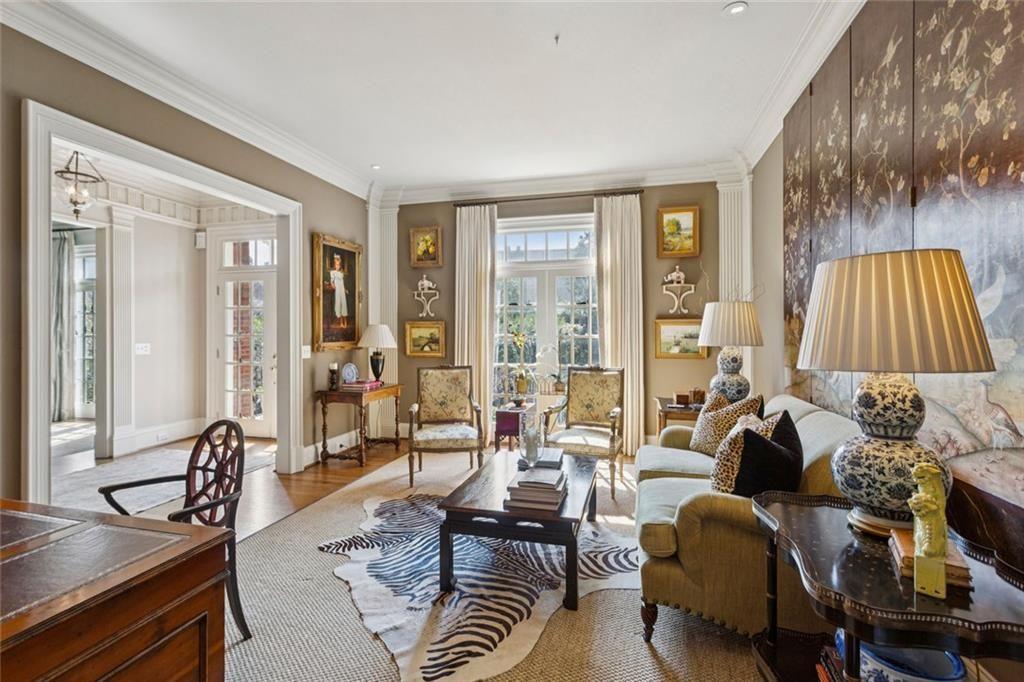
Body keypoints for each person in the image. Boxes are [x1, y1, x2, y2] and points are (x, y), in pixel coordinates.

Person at [327, 253, 348, 328]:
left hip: (342, 289)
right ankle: (341, 322)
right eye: (336, 260)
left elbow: (342, 281)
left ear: (340, 261)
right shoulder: (332, 272)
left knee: (344, 304)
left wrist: (345, 289)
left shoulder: (341, 271)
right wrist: (332, 285)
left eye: (338, 260)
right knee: (338, 304)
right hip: (337, 290)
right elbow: (332, 281)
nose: (337, 262)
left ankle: (345, 321)